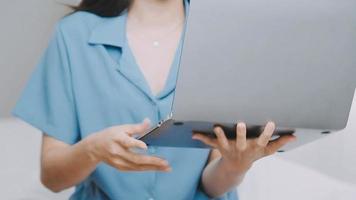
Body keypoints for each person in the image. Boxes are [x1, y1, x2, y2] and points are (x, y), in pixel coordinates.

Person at [12, 0, 296, 199]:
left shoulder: (226, 37)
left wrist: (236, 165)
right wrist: (93, 150)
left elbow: (212, 185)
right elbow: (52, 177)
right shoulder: (74, 35)